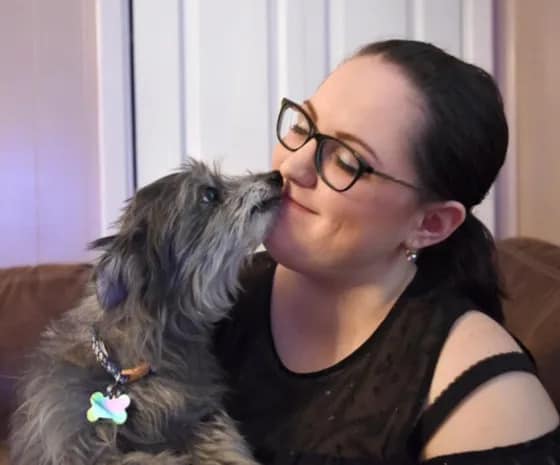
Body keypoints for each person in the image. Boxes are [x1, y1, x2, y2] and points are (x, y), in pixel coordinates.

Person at [214, 40, 560, 465]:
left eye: (347, 159)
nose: (293, 167)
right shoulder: (209, 303)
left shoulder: (485, 400)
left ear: (429, 225)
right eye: (303, 127)